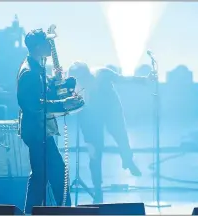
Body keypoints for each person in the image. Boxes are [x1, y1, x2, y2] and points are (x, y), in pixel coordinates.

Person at [69, 62, 154, 203]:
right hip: (90, 118)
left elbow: (123, 79)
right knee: (94, 154)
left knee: (121, 136)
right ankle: (98, 189)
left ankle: (127, 159)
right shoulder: (76, 85)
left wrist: (144, 79)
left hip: (112, 111)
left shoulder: (102, 74)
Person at [17, 28, 82, 213]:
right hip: (37, 131)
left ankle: (34, 212)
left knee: (41, 177)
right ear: (38, 46)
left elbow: (42, 92)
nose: (50, 46)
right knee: (54, 174)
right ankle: (64, 211)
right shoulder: (29, 72)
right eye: (47, 43)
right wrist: (64, 104)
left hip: (39, 130)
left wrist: (59, 83)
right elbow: (34, 104)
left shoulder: (37, 66)